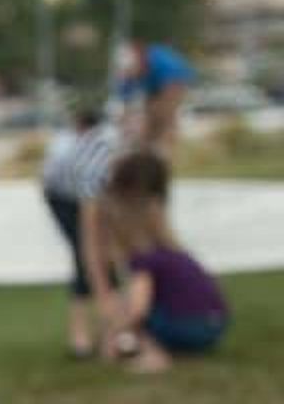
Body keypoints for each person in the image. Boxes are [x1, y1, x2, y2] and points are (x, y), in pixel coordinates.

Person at [92, 150, 229, 371]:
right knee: (156, 309)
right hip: (216, 324)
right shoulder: (175, 254)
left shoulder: (144, 261)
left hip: (189, 327)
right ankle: (175, 349)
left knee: (139, 314)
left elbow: (138, 310)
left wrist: (117, 330)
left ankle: (155, 357)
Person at [40, 103, 124, 358]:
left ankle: (116, 330)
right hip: (62, 197)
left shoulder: (121, 153)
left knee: (108, 256)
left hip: (84, 189)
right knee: (85, 255)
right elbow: (90, 246)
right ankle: (87, 335)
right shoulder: (91, 171)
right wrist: (103, 296)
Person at [115, 40, 196, 156]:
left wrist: (162, 113)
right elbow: (125, 100)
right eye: (129, 72)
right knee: (149, 120)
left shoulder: (162, 61)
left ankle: (165, 152)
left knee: (163, 115)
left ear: (141, 59)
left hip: (176, 81)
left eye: (134, 70)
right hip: (154, 86)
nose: (132, 75)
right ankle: (145, 151)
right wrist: (125, 119)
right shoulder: (128, 71)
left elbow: (170, 92)